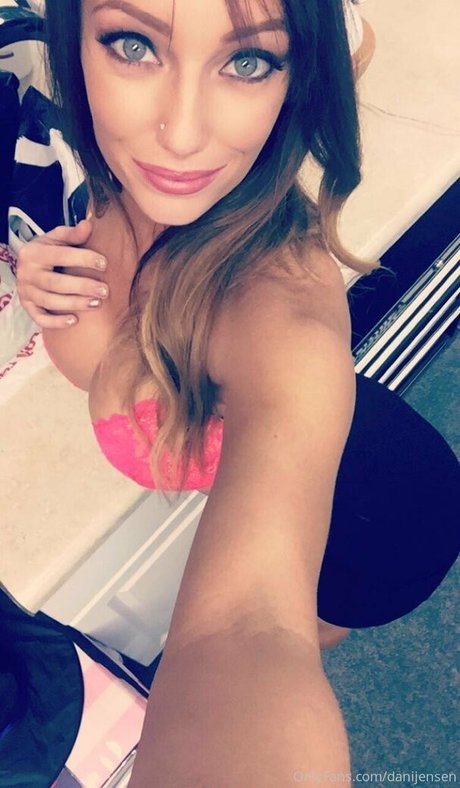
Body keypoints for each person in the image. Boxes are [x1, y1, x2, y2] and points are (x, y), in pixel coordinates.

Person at [15, 0, 459, 784]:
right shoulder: (123, 183)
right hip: (354, 450)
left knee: (313, 614)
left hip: (385, 522)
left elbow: (251, 631)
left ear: (295, 77)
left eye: (248, 62)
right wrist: (42, 272)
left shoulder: (281, 326)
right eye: (133, 45)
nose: (183, 134)